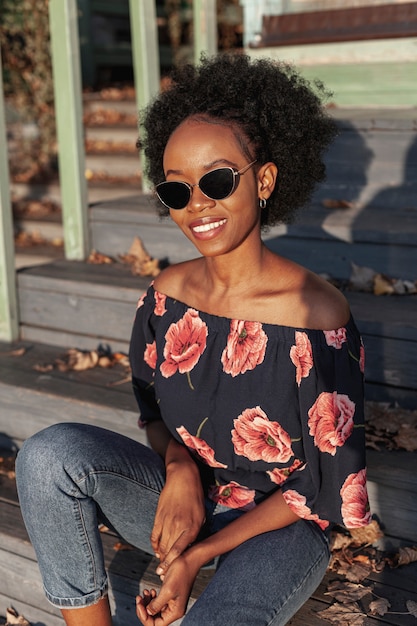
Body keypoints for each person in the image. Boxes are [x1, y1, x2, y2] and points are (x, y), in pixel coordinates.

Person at [16, 53, 371, 626]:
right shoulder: (167, 295)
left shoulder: (314, 316)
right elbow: (153, 412)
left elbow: (324, 486)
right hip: (184, 503)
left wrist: (196, 559)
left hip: (278, 529)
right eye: (177, 190)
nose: (197, 204)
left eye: (216, 180)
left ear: (264, 179)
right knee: (49, 456)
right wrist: (179, 466)